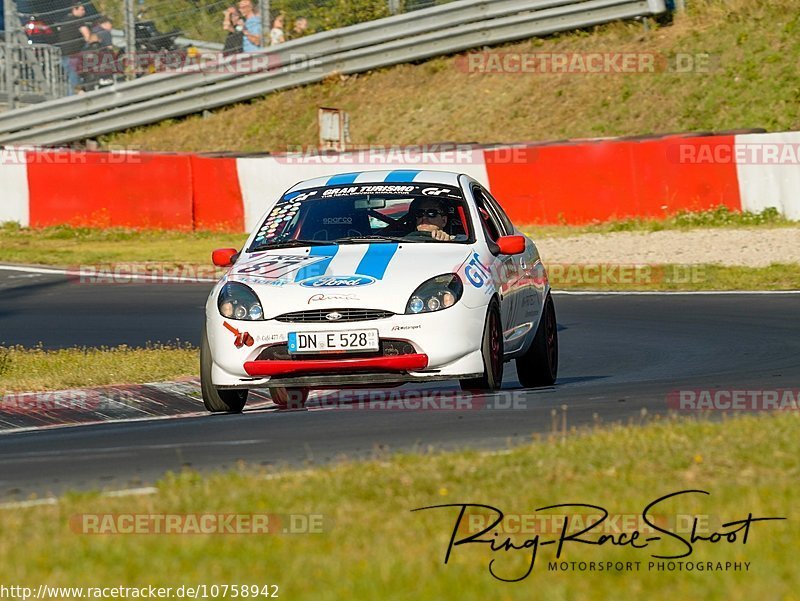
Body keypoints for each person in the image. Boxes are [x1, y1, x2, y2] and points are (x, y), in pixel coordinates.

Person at [56, 1, 97, 94]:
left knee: (72, 80)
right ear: (74, 9)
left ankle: (73, 99)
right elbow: (87, 36)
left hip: (65, 54)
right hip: (74, 55)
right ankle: (73, 103)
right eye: (82, 9)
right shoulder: (78, 20)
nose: (84, 12)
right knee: (75, 81)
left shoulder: (65, 20)